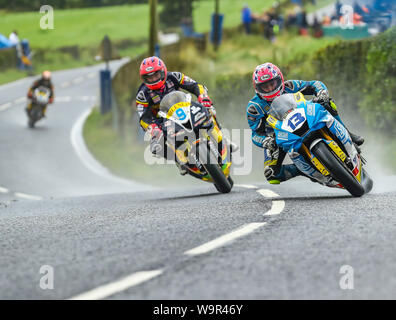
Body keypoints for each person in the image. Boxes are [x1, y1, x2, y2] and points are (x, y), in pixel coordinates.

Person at [246, 63, 364, 184]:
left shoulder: (290, 86)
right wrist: (266, 141)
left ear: (280, 80)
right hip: (279, 136)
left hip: (305, 116)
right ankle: (302, 169)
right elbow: (255, 134)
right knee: (272, 174)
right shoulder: (254, 108)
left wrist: (321, 93)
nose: (270, 89)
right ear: (257, 88)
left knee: (327, 102)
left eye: (272, 84)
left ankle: (348, 135)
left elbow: (315, 84)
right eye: (265, 87)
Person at [135, 56, 236, 174]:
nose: (153, 79)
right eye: (149, 77)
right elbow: (143, 118)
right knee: (156, 147)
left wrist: (203, 97)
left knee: (208, 109)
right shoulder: (142, 94)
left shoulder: (174, 77)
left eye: (156, 75)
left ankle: (222, 137)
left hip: (184, 108)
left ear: (163, 72)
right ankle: (178, 160)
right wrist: (153, 128)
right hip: (162, 120)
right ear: (144, 79)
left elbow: (195, 85)